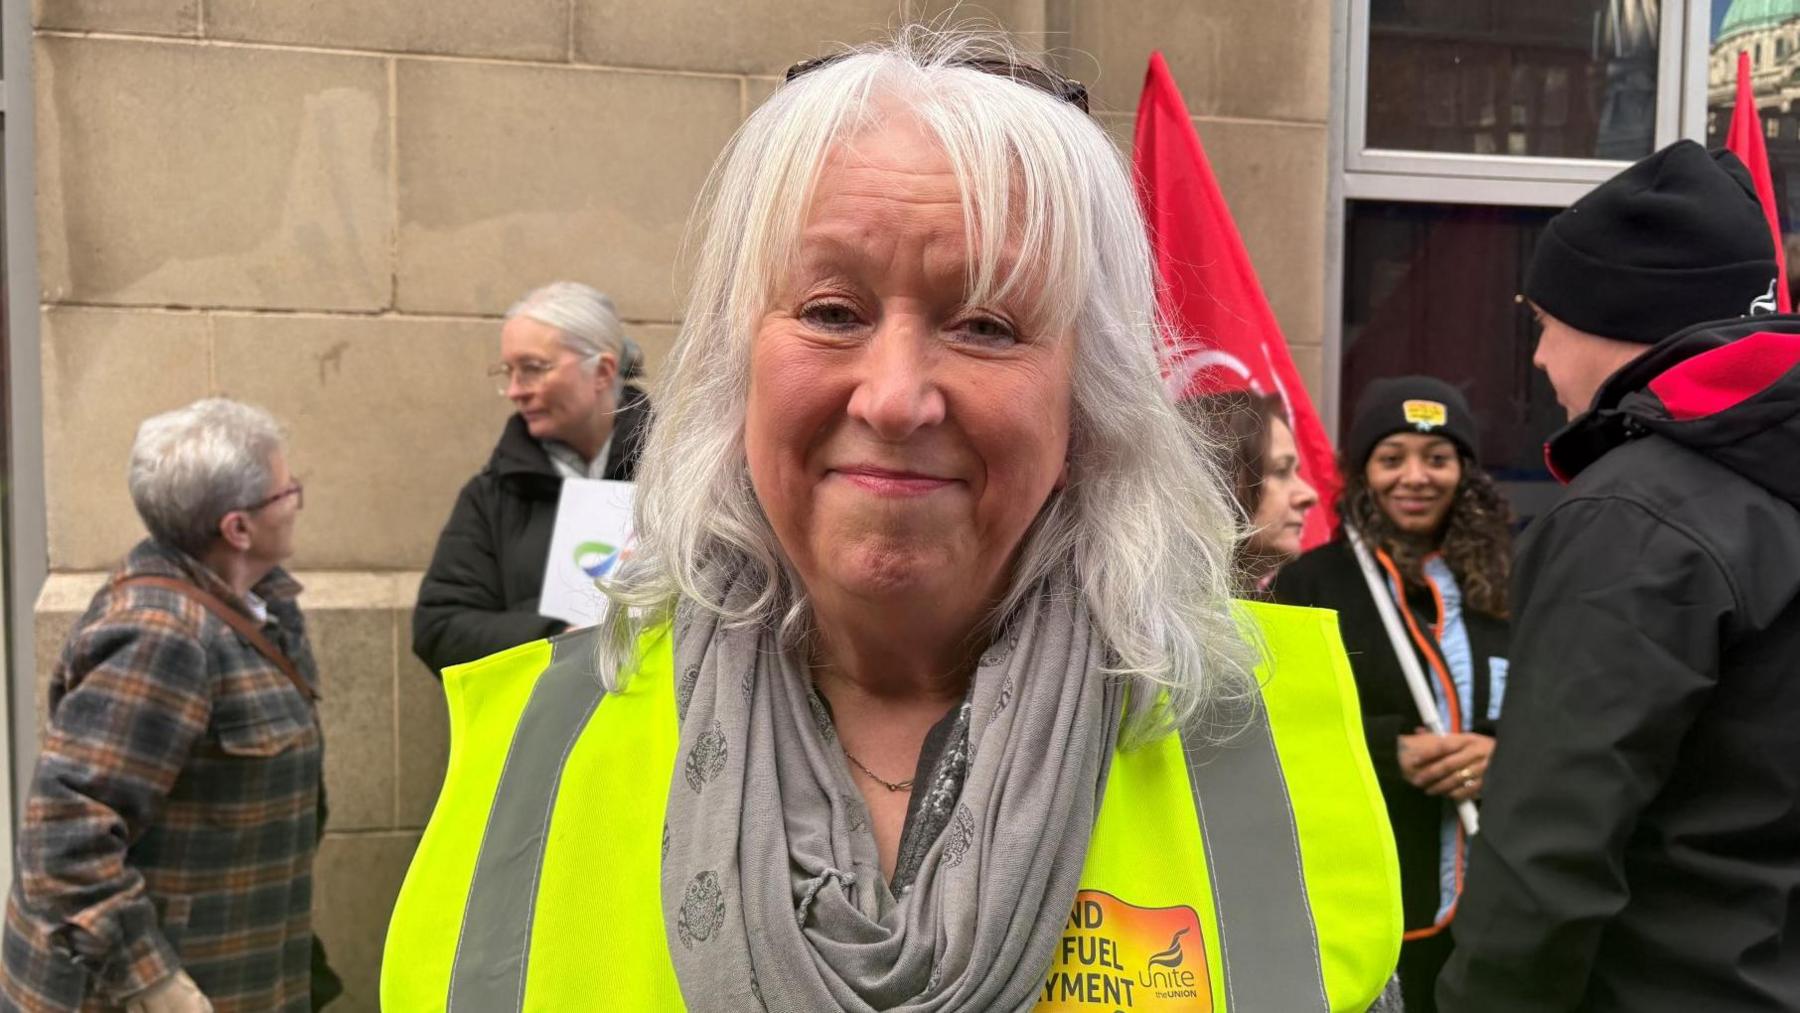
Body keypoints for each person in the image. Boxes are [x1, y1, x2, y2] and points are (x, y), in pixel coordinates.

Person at [383, 33, 1402, 1011]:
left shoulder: (1254, 739)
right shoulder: (541, 749)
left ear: (1090, 397)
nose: (896, 397)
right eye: (831, 310)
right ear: (737, 363)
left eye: (987, 322)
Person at [1438, 141, 1800, 1010]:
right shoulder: (1765, 484)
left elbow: (1550, 849)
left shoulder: (1632, 517)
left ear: (1615, 317)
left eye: (1542, 321)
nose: (1537, 358)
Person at [3, 399, 322, 1012]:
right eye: (288, 492)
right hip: (151, 990)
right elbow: (65, 838)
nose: (297, 502)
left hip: (237, 962)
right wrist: (154, 984)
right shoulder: (163, 637)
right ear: (238, 528)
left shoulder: (256, 601)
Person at [1273, 376, 1514, 1013]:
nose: (1416, 477)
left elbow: (1560, 703)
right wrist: (1390, 750)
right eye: (1392, 458)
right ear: (1362, 472)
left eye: (1437, 458)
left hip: (1494, 894)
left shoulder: (1514, 577)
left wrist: (1502, 755)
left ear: (1465, 471)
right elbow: (1283, 727)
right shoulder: (1311, 582)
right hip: (1373, 894)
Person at [411, 281, 651, 674]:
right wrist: (558, 638)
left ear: (603, 371)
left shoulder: (680, 482)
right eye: (509, 371)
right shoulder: (493, 494)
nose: (515, 391)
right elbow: (439, 627)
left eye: (533, 369)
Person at [1180, 389, 1319, 589]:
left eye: (1295, 472)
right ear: (1218, 480)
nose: (1309, 495)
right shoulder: (1140, 615)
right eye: (1281, 471)